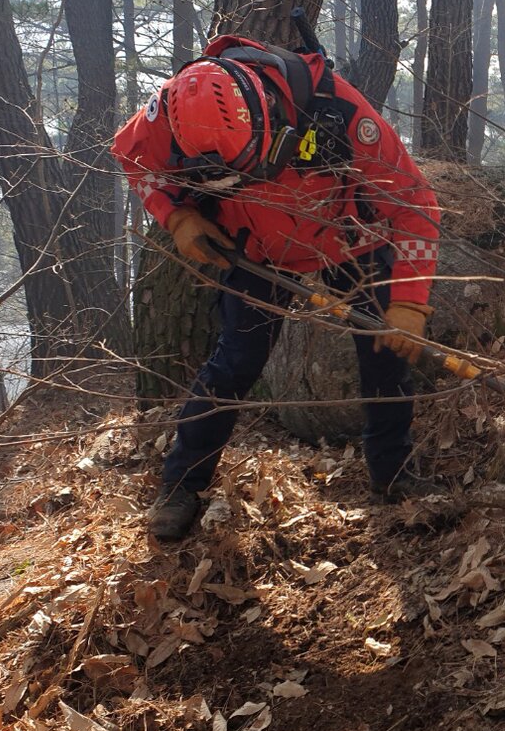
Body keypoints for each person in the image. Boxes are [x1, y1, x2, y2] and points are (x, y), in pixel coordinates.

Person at [113, 31, 443, 541]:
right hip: (258, 249)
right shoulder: (168, 115)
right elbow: (132, 158)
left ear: (268, 111)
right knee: (235, 362)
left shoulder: (333, 105)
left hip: (346, 232)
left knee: (385, 356)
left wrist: (409, 303)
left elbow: (416, 205)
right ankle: (180, 484)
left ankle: (394, 476)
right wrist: (175, 216)